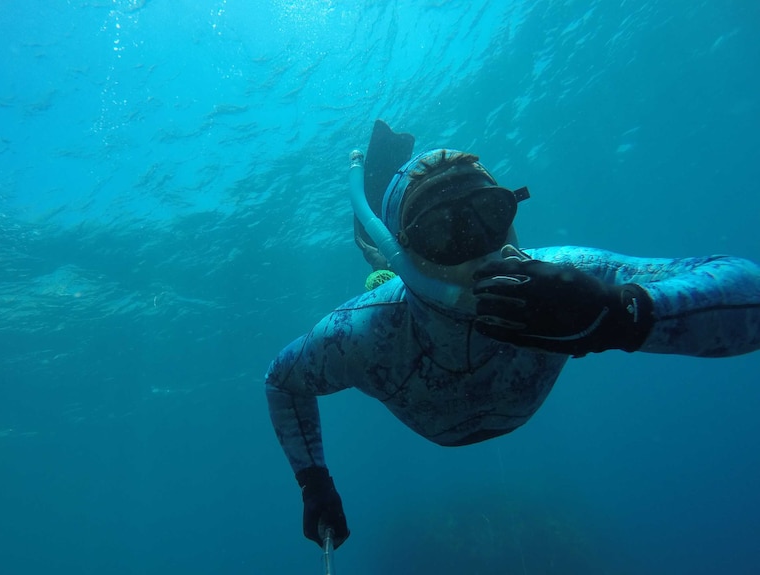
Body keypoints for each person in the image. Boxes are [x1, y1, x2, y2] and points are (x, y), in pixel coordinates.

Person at [264, 120, 760, 550]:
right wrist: (314, 483)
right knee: (377, 273)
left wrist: (617, 312)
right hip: (396, 287)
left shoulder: (570, 277)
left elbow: (746, 288)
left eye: (491, 215)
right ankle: (377, 251)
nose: (481, 248)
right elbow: (282, 382)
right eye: (443, 231)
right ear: (408, 248)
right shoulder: (363, 331)